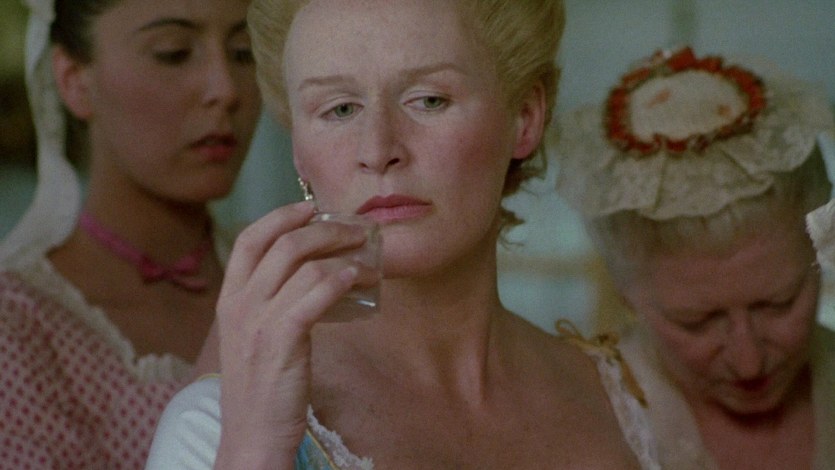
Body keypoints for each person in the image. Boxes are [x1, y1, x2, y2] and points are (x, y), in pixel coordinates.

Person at [145, 0, 662, 468]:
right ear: (300, 153)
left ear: (524, 119)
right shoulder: (224, 423)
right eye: (340, 109)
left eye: (429, 100)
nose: (378, 149)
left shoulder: (622, 401)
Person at [0, 0, 260, 467]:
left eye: (243, 52)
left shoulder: (289, 281)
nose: (225, 89)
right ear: (74, 80)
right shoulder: (19, 331)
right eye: (173, 52)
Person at [555, 47, 835, 469]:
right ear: (625, 293)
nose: (749, 363)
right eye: (697, 322)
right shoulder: (580, 419)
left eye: (779, 304)